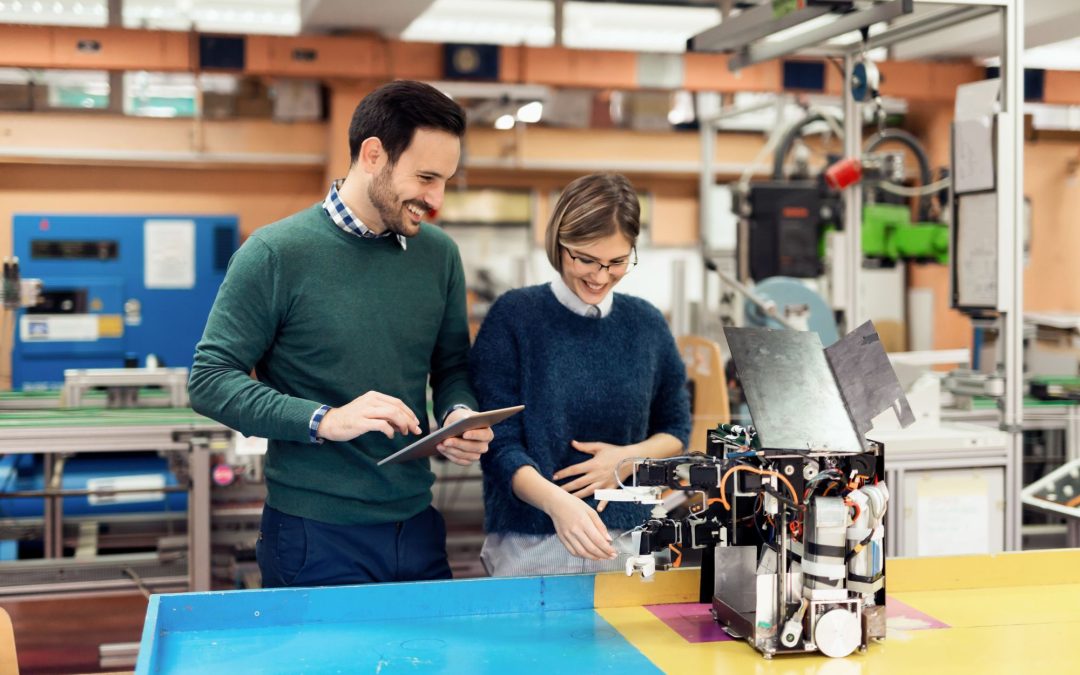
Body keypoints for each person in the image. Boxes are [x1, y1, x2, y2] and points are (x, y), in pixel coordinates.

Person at [189, 80, 493, 588]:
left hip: (416, 523)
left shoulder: (439, 256)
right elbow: (210, 379)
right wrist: (324, 420)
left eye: (445, 181)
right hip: (313, 533)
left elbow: (451, 367)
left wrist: (458, 413)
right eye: (425, 177)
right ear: (373, 155)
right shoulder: (275, 254)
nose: (436, 199)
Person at [470, 172, 691, 576]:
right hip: (533, 542)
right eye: (585, 259)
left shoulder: (646, 323)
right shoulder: (515, 317)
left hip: (629, 542)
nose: (600, 276)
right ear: (559, 243)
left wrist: (625, 459)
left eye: (618, 261)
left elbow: (676, 428)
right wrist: (558, 504)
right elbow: (498, 447)